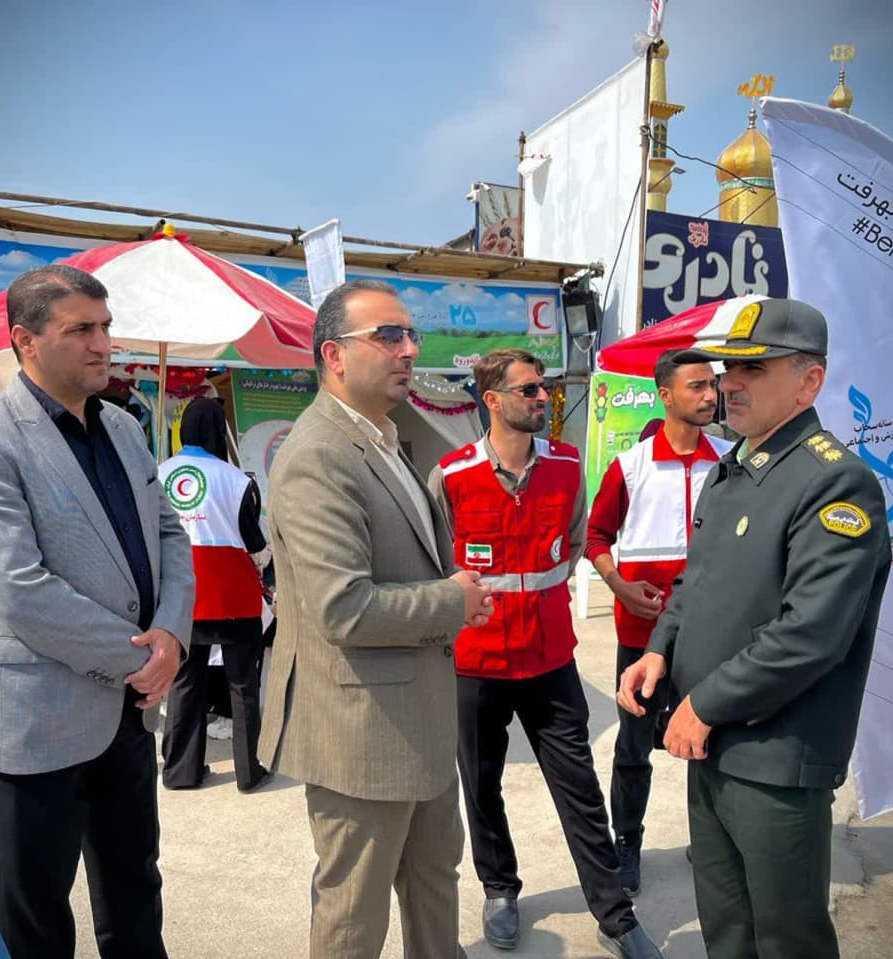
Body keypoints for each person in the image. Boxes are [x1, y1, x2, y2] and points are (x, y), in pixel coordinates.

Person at [0, 264, 195, 959]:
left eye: (105, 327)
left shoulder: (125, 428)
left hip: (129, 715)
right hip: (35, 719)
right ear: (25, 340)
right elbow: (21, 588)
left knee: (135, 893)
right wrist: (143, 658)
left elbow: (169, 532)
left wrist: (173, 631)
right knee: (36, 919)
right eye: (81, 329)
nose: (102, 344)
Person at [617, 298, 891, 959]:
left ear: (809, 382)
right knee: (727, 930)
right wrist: (659, 651)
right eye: (728, 368)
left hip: (773, 760)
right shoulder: (733, 468)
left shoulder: (835, 482)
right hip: (708, 745)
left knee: (786, 939)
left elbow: (810, 632)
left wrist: (704, 704)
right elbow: (696, 584)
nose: (729, 383)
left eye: (754, 368)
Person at [258, 278, 492, 959]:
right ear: (334, 354)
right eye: (388, 336)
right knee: (354, 913)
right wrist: (453, 602)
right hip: (360, 731)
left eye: (410, 334)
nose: (409, 349)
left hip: (418, 720)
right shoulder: (317, 455)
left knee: (434, 882)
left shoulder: (383, 440)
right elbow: (344, 608)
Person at [430, 349, 663, 959]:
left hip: (551, 660)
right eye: (529, 389)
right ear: (492, 400)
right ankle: (500, 889)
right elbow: (436, 567)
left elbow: (579, 542)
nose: (542, 398)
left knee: (580, 789)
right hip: (476, 663)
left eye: (545, 388)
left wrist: (603, 588)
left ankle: (615, 916)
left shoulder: (567, 465)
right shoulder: (451, 476)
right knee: (481, 785)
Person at [585, 352, 728, 895]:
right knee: (633, 748)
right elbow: (595, 537)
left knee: (715, 740)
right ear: (665, 395)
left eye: (712, 385)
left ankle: (714, 839)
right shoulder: (631, 466)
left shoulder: (730, 462)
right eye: (697, 386)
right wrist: (618, 584)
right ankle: (627, 842)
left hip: (714, 633)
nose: (710, 395)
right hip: (642, 636)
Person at [158, 395, 271, 792]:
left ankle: (180, 772)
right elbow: (255, 543)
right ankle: (249, 772)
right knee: (243, 686)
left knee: (184, 684)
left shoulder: (157, 475)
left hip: (180, 599)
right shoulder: (237, 480)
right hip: (233, 596)